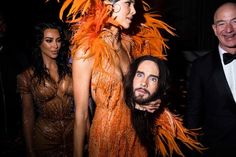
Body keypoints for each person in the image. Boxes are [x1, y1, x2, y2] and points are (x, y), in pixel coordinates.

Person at [55, 0, 175, 156]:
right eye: (128, 3)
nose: (134, 11)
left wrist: (145, 103)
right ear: (108, 5)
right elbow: (81, 114)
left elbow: (129, 94)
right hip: (105, 138)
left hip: (134, 135)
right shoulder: (85, 52)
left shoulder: (128, 45)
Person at [124, 55, 204, 157]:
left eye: (153, 79)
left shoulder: (165, 125)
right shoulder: (116, 107)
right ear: (132, 77)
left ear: (160, 86)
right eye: (140, 75)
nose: (144, 83)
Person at [185, 2, 236, 157]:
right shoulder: (201, 67)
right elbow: (193, 115)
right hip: (217, 150)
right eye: (222, 24)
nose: (229, 29)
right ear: (215, 29)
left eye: (235, 21)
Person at [17, 22, 74, 157]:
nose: (55, 46)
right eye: (49, 41)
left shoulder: (71, 71)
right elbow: (28, 116)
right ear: (39, 43)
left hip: (73, 135)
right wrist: (30, 150)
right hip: (44, 139)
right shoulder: (27, 76)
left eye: (58, 40)